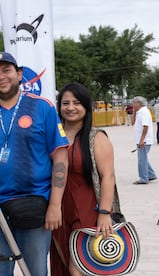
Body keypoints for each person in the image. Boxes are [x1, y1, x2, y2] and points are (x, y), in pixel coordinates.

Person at [0, 51, 69, 276]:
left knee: (35, 270)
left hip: (35, 205)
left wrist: (55, 205)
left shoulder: (43, 107)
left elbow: (60, 158)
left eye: (6, 71)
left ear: (19, 74)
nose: (1, 77)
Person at [50, 82, 116, 275]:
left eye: (76, 103)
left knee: (79, 267)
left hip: (86, 210)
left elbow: (108, 177)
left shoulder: (96, 138)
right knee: (61, 262)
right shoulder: (54, 135)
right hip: (57, 210)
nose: (70, 108)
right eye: (65, 103)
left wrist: (104, 213)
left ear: (86, 107)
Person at [131, 96, 157, 184]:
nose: (133, 104)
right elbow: (132, 122)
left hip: (144, 141)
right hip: (141, 140)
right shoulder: (139, 112)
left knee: (142, 160)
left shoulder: (144, 112)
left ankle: (143, 178)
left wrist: (142, 140)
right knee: (144, 158)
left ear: (139, 103)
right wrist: (134, 112)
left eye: (134, 103)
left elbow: (145, 126)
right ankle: (151, 174)